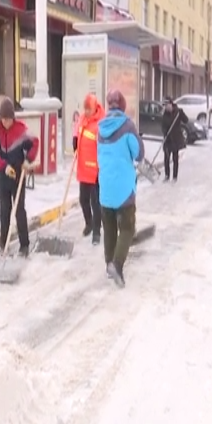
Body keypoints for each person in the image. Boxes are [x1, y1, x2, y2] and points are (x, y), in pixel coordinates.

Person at [97, 89, 145, 288]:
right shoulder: (127, 126)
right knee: (127, 227)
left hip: (105, 187)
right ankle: (117, 265)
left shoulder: (100, 127)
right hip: (124, 189)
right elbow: (139, 153)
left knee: (109, 227)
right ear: (123, 106)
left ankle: (109, 263)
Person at [0, 97, 40, 257]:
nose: (6, 123)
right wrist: (4, 167)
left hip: (18, 173)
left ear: (13, 118)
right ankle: (4, 244)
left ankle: (24, 245)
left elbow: (35, 142)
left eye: (9, 119)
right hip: (2, 175)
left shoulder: (21, 129)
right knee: (4, 209)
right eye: (4, 119)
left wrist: (27, 160)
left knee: (19, 209)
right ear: (0, 117)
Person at [73, 94, 105, 245]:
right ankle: (89, 223)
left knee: (95, 202)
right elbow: (77, 130)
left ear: (95, 108)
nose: (86, 112)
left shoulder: (101, 123)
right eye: (85, 109)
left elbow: (104, 146)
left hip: (96, 170)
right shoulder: (82, 119)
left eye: (89, 109)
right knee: (83, 200)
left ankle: (97, 233)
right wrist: (75, 141)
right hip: (83, 167)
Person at [161, 96, 188, 183]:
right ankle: (167, 175)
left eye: (167, 105)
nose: (166, 107)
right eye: (164, 105)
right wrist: (165, 132)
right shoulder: (164, 114)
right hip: (168, 139)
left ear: (171, 104)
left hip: (175, 139)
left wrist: (182, 113)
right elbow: (163, 126)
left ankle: (175, 177)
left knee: (175, 159)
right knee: (166, 158)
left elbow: (186, 120)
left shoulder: (178, 112)